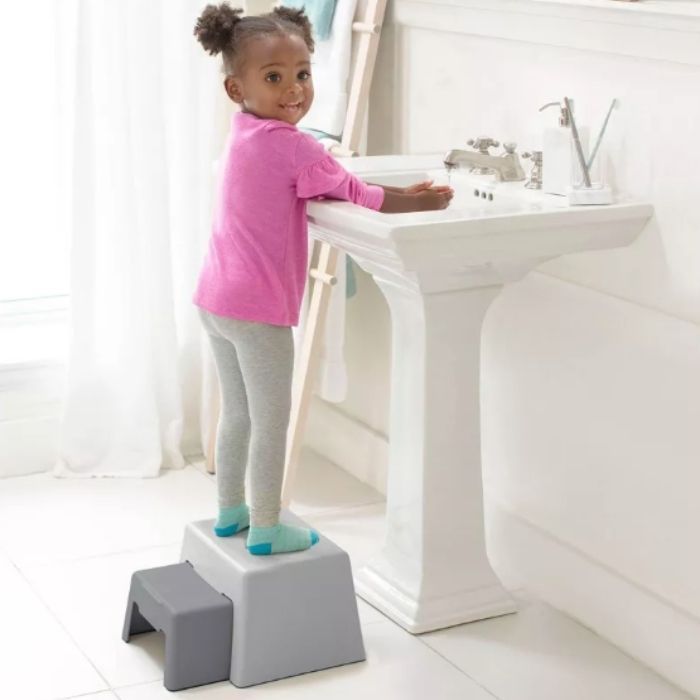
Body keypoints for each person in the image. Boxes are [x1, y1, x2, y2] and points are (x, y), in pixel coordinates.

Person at [192, 1, 454, 556]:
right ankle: (266, 526)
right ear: (237, 89)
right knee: (271, 421)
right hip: (259, 311)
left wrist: (388, 186)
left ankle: (229, 512)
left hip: (215, 298)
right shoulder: (292, 144)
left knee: (237, 413)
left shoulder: (243, 134)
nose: (295, 90)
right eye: (274, 77)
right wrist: (423, 199)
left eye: (303, 74)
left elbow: (327, 180)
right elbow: (361, 194)